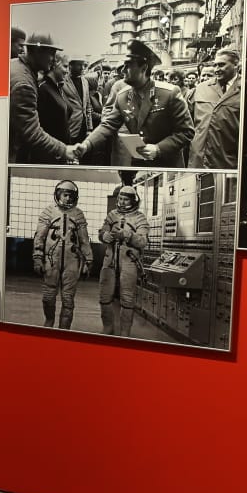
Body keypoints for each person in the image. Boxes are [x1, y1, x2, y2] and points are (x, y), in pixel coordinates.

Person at [74, 40, 193, 168]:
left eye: (128, 65)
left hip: (167, 167)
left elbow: (186, 132)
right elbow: (108, 125)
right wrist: (86, 145)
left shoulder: (169, 94)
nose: (123, 70)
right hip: (138, 167)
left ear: (144, 68)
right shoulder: (122, 97)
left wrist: (158, 149)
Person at [10, 33, 77, 164]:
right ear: (37, 51)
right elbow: (32, 132)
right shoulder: (24, 84)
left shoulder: (17, 66)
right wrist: (64, 150)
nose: (53, 59)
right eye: (51, 53)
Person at [33, 180, 91, 330]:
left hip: (72, 261)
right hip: (51, 260)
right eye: (65, 195)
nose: (67, 199)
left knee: (68, 299)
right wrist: (38, 258)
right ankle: (49, 320)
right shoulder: (48, 212)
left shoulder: (78, 214)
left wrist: (88, 261)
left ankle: (64, 330)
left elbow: (84, 240)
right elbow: (39, 237)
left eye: (70, 196)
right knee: (48, 297)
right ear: (58, 195)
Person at [98, 185, 149, 337]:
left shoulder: (140, 218)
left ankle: (125, 331)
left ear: (133, 201)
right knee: (104, 295)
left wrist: (127, 235)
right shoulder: (112, 215)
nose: (122, 202)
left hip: (129, 261)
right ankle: (108, 327)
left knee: (127, 298)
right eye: (120, 198)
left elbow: (142, 241)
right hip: (110, 261)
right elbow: (102, 231)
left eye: (126, 199)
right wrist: (104, 236)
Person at [189, 49, 242, 170]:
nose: (217, 69)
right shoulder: (201, 89)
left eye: (222, 65)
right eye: (215, 65)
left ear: (235, 65)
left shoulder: (244, 89)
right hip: (198, 161)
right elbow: (186, 124)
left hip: (227, 162)